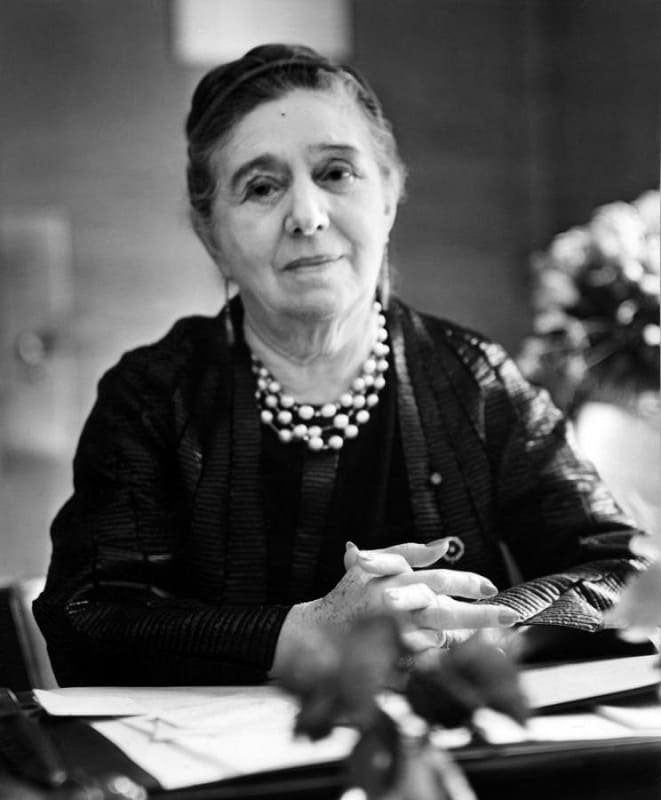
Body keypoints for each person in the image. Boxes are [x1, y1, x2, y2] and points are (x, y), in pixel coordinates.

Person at [34, 43, 646, 686]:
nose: (307, 216)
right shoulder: (152, 398)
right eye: (261, 187)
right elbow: (85, 620)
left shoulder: (478, 382)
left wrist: (478, 627)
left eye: (335, 173)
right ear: (211, 233)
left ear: (389, 195)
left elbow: (626, 570)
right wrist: (304, 632)